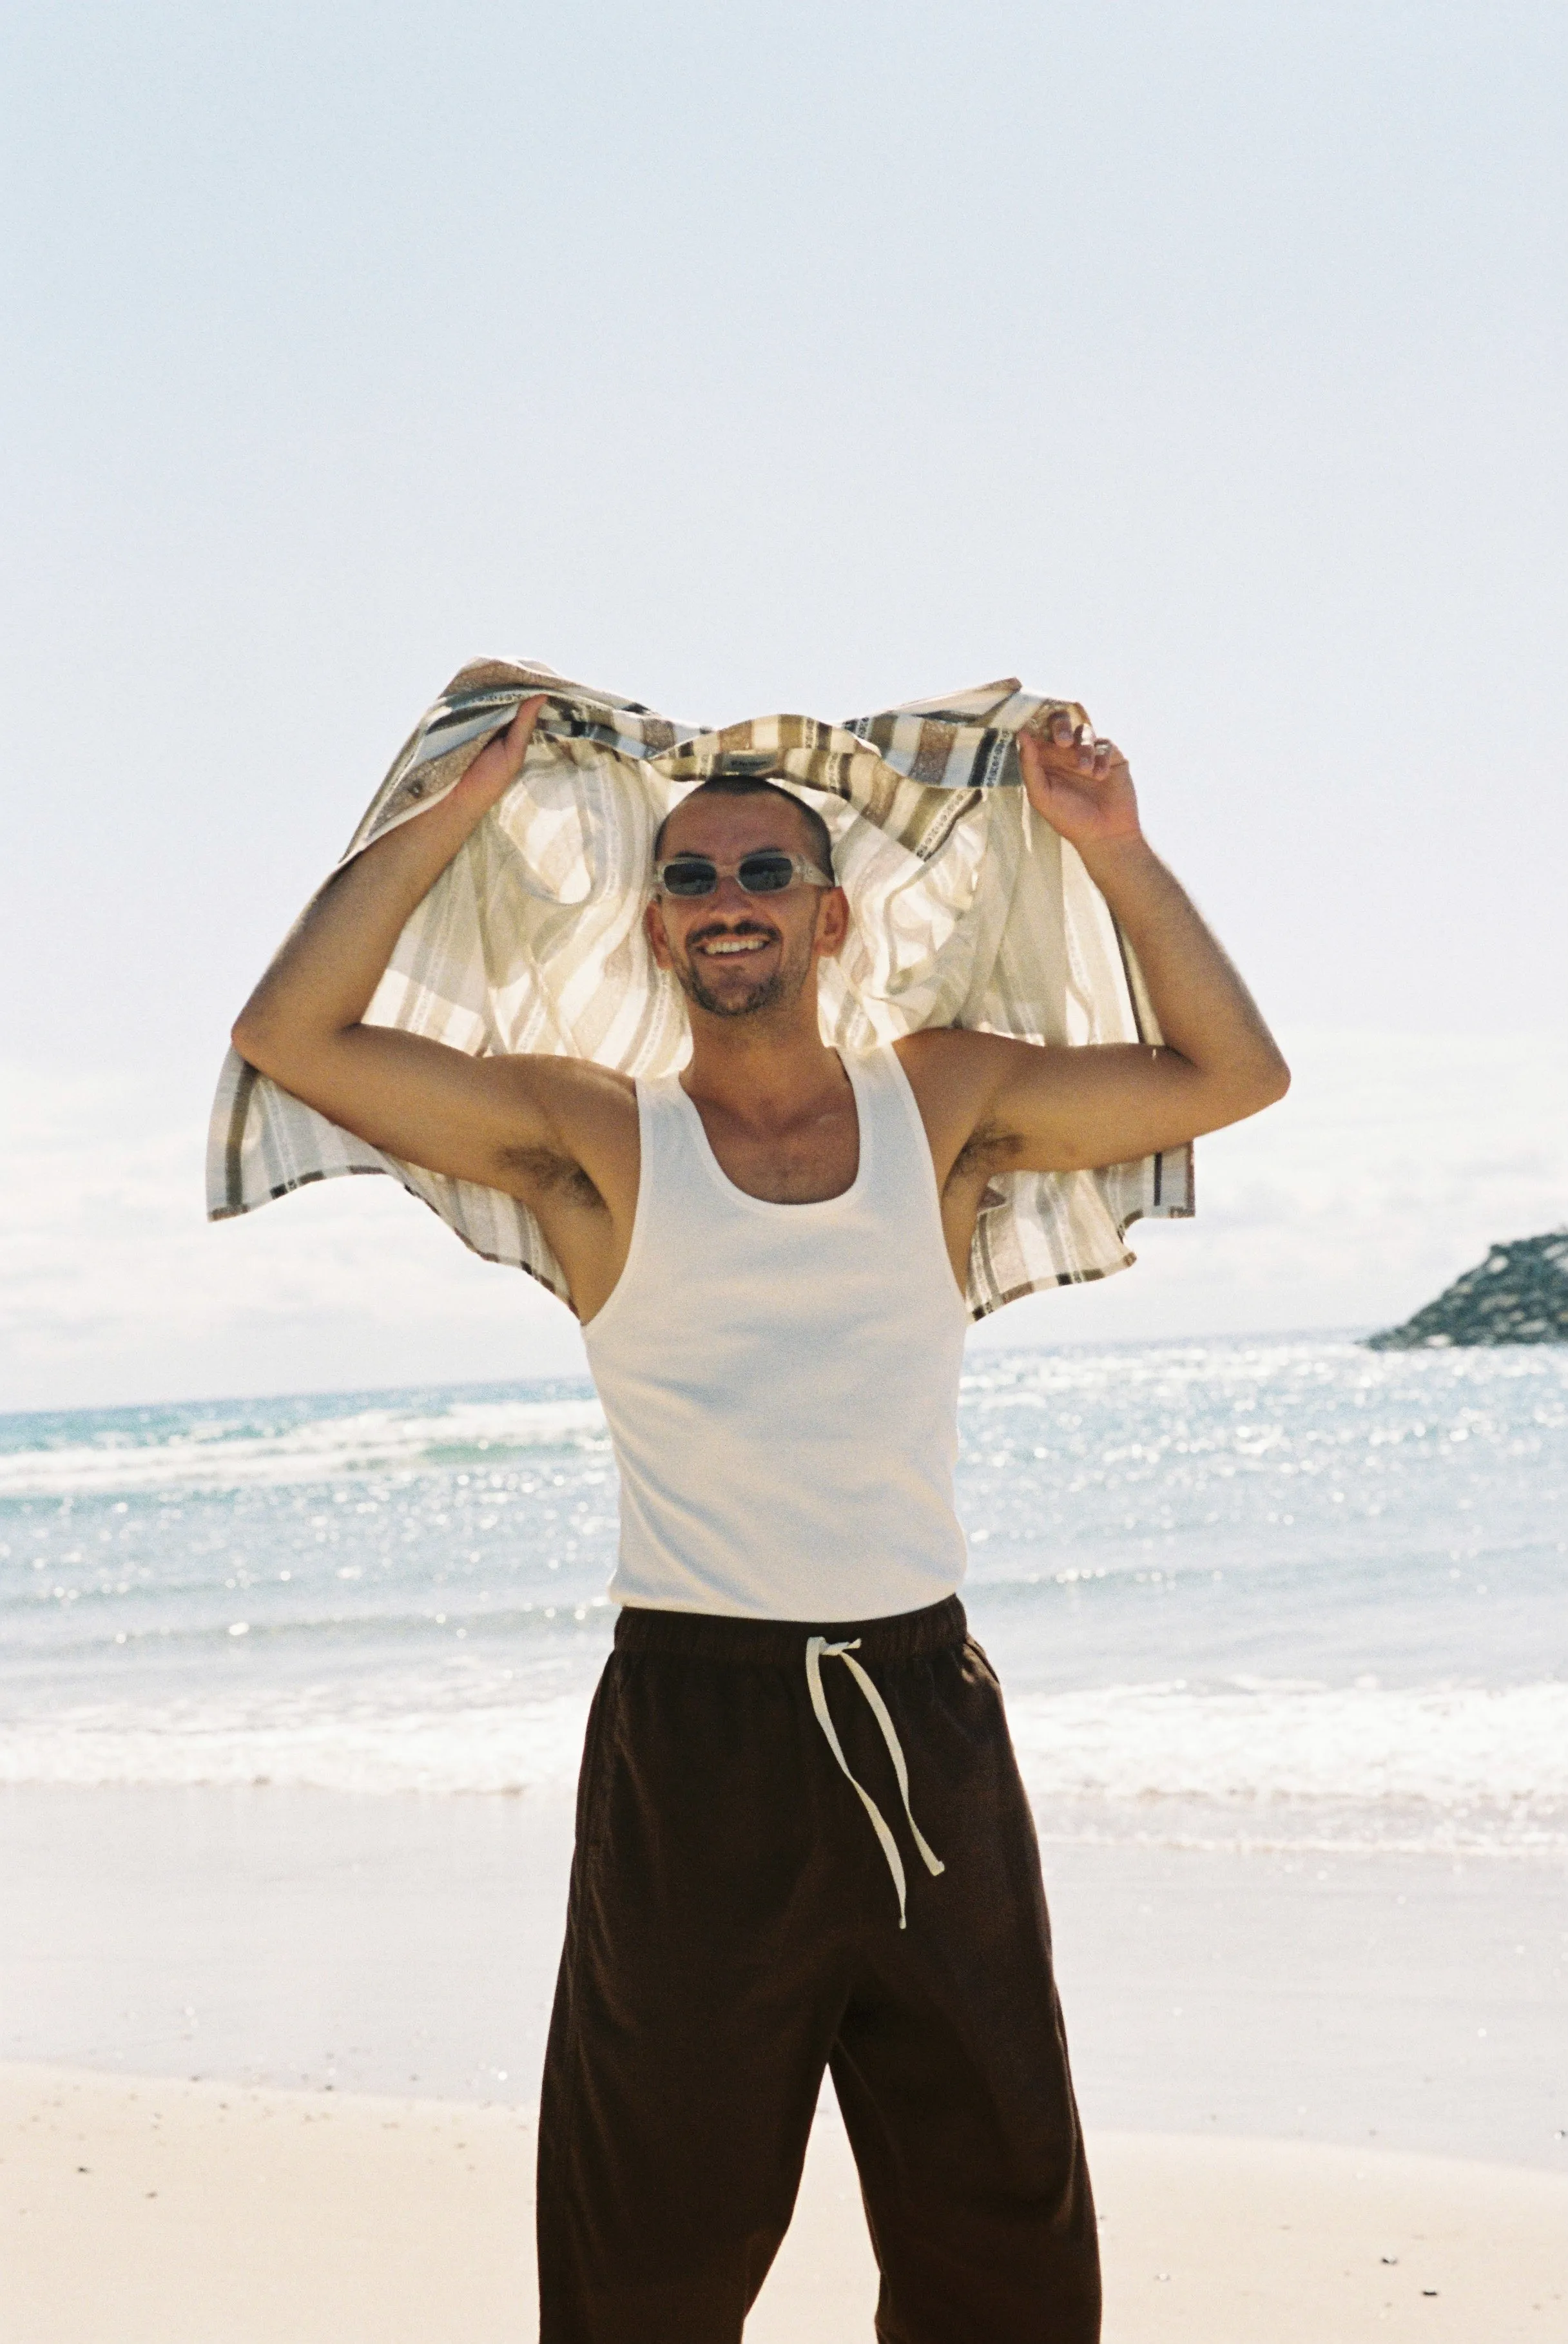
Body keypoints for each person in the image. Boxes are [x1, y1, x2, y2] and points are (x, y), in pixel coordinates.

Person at [232, 692, 1289, 2343]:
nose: (730, 896)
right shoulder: (594, 1138)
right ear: (654, 928)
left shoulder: (940, 1102)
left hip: (922, 1716)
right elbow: (293, 1040)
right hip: (695, 1737)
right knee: (650, 2231)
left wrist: (1114, 851)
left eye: (764, 869)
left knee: (1001, 2218)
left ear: (828, 910)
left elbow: (1233, 1073)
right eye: (694, 877)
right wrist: (455, 807)